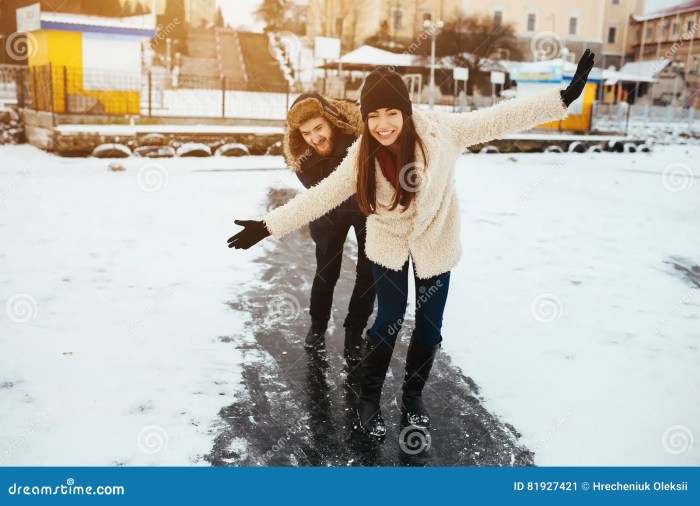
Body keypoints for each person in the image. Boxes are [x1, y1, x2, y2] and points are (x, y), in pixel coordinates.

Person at [228, 50, 596, 438]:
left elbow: (498, 118)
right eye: (372, 116)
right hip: (388, 240)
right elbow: (321, 196)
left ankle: (412, 397)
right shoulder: (361, 153)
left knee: (429, 326)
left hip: (435, 238)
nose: (382, 125)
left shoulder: (442, 131)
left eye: (390, 113)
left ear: (405, 110)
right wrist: (268, 226)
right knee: (387, 321)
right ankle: (368, 397)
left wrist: (562, 99)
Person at [277, 93, 376, 356]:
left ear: (331, 121)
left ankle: (355, 329)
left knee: (370, 273)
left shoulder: (359, 138)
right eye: (307, 132)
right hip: (327, 212)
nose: (315, 137)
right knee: (326, 272)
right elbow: (320, 192)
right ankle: (318, 326)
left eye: (319, 128)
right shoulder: (301, 156)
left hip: (365, 208)